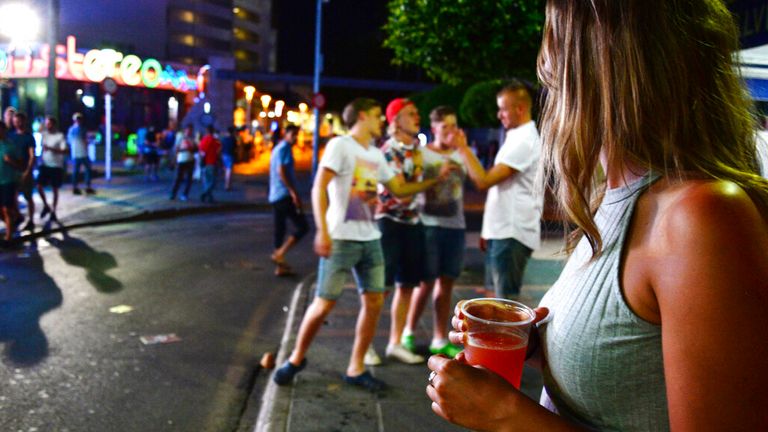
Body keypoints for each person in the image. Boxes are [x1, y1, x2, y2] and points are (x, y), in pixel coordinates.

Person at [427, 1, 768, 431]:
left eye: (554, 37)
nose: (545, 66)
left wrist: (506, 415)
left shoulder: (700, 215)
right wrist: (536, 342)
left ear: (599, 64)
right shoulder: (618, 199)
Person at [272, 98, 453, 392]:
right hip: (341, 238)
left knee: (374, 302)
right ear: (362, 116)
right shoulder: (340, 146)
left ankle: (356, 367)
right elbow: (319, 186)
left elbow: (398, 190)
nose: (381, 120)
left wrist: (430, 183)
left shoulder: (375, 154)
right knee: (323, 303)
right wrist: (322, 230)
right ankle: (295, 358)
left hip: (371, 239)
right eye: (377, 116)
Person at [453, 80, 542, 300]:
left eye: (503, 108)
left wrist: (463, 149)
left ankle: (507, 335)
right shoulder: (516, 138)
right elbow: (500, 192)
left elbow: (484, 181)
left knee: (505, 302)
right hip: (502, 230)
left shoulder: (525, 141)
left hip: (512, 232)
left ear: (520, 109)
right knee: (496, 300)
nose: (499, 114)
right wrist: (488, 231)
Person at [366, 97, 428, 366]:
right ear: (396, 120)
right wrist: (432, 182)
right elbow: (401, 196)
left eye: (417, 113)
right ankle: (365, 344)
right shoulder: (389, 151)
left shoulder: (415, 150)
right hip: (390, 223)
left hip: (412, 223)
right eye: (411, 113)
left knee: (407, 286)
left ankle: (395, 343)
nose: (417, 117)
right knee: (382, 287)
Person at [402, 106, 466, 359]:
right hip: (428, 223)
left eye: (453, 125)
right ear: (435, 128)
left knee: (446, 282)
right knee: (425, 282)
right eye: (445, 126)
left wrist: (463, 149)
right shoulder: (423, 154)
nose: (450, 131)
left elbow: (477, 179)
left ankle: (439, 338)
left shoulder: (461, 153)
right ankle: (408, 330)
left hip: (455, 225)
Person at [268, 124, 309, 276]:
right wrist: (293, 192)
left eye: (296, 134)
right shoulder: (285, 148)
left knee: (280, 229)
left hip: (274, 195)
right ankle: (280, 254)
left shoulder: (277, 148)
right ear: (286, 133)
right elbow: (281, 170)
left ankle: (280, 266)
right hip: (284, 194)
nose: (295, 137)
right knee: (303, 226)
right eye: (293, 134)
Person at [9, 112, 37, 232]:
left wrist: (28, 170)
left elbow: (32, 155)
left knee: (28, 196)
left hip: (25, 170)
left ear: (23, 121)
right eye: (15, 121)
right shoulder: (11, 136)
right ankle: (18, 216)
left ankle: (31, 220)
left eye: (18, 121)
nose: (16, 123)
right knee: (13, 196)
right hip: (13, 171)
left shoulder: (29, 137)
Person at [37, 116, 68, 222]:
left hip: (56, 166)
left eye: (50, 124)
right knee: (39, 186)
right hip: (45, 164)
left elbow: (65, 150)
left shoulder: (60, 136)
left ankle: (54, 211)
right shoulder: (44, 135)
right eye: (47, 124)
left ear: (54, 125)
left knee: (55, 189)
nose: (48, 126)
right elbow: (38, 130)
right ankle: (46, 205)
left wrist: (51, 149)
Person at [0, 121, 22, 246]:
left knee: (6, 209)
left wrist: (10, 161)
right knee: (2, 211)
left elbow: (20, 165)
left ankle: (9, 238)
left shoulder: (11, 146)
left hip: (8, 181)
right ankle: (15, 220)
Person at [68, 113, 95, 195]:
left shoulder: (74, 129)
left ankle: (85, 187)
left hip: (81, 153)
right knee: (78, 171)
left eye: (79, 119)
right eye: (77, 119)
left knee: (84, 170)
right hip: (78, 153)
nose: (79, 120)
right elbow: (84, 140)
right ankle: (78, 187)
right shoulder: (76, 129)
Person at [169, 125, 197, 201]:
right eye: (188, 130)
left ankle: (185, 194)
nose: (189, 132)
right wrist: (183, 149)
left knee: (189, 179)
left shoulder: (193, 139)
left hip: (190, 160)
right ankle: (173, 193)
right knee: (178, 178)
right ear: (185, 130)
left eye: (191, 130)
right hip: (181, 160)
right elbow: (176, 148)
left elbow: (195, 149)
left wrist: (193, 148)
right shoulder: (180, 137)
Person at [198, 125, 221, 203]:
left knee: (207, 180)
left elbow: (201, 151)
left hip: (206, 162)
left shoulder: (204, 139)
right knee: (212, 180)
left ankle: (209, 196)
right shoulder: (213, 140)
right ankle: (205, 193)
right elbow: (218, 150)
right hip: (211, 162)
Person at [220, 126, 236, 191]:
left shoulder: (224, 139)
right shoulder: (233, 139)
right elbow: (235, 148)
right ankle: (227, 185)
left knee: (226, 170)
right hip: (230, 155)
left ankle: (226, 184)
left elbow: (222, 147)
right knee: (229, 171)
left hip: (224, 155)